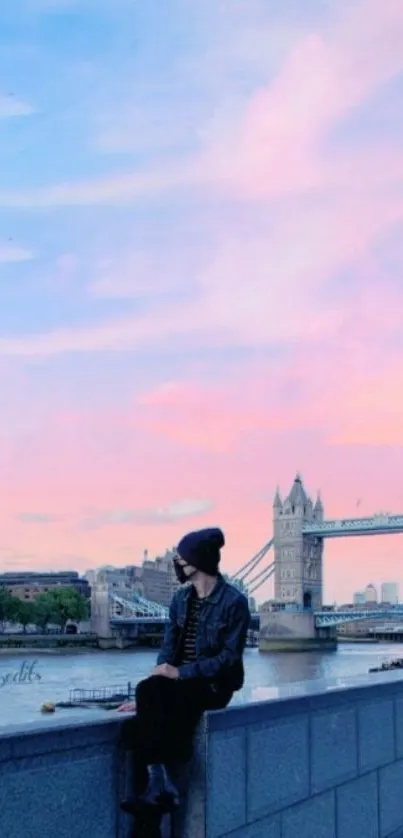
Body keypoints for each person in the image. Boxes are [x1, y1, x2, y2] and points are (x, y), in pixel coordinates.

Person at [120, 526, 250, 815]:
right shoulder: (180, 600)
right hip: (179, 684)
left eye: (180, 558)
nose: (176, 564)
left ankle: (157, 788)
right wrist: (150, 691)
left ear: (199, 561)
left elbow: (229, 659)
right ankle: (160, 785)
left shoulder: (234, 603)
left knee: (151, 715)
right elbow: (167, 650)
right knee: (146, 691)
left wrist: (180, 674)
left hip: (215, 686)